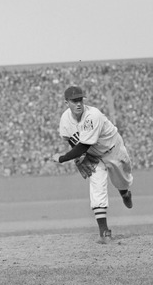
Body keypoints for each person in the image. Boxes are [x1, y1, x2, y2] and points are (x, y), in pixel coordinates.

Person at [50, 85, 134, 244]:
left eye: (80, 100)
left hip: (114, 150)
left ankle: (125, 193)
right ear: (66, 102)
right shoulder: (65, 120)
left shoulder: (92, 115)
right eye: (74, 101)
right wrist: (78, 157)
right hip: (94, 157)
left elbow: (83, 145)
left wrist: (63, 158)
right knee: (97, 188)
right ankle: (104, 233)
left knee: (122, 181)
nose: (78, 104)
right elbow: (72, 141)